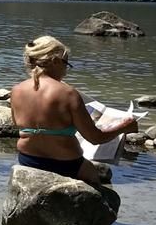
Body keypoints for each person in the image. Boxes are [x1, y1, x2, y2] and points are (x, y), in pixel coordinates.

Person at [11, 36, 138, 185]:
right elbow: (95, 138)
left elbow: (18, 124)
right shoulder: (68, 93)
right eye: (66, 64)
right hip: (67, 164)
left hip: (28, 159)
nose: (66, 72)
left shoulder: (16, 90)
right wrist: (125, 126)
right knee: (99, 186)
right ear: (55, 61)